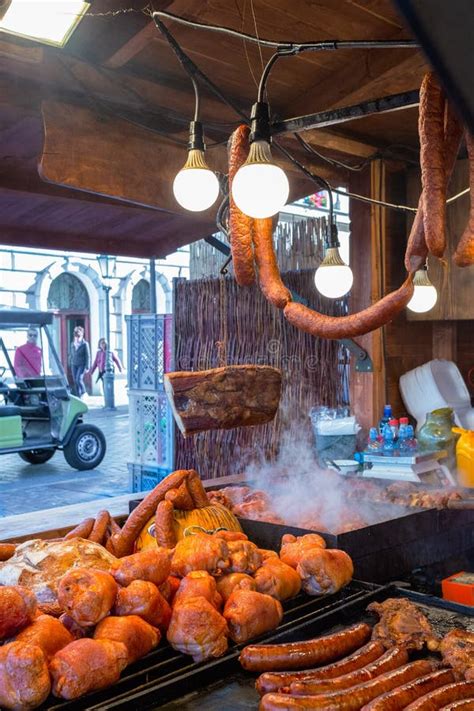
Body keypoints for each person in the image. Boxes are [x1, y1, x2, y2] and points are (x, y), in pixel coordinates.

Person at [69, 326, 90, 398]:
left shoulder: (85, 344)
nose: (77, 338)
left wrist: (87, 367)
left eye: (78, 336)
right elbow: (71, 354)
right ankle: (79, 396)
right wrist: (70, 361)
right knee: (75, 380)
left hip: (82, 365)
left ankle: (84, 392)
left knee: (79, 379)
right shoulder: (72, 344)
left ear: (82, 335)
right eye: (75, 336)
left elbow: (88, 356)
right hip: (74, 364)